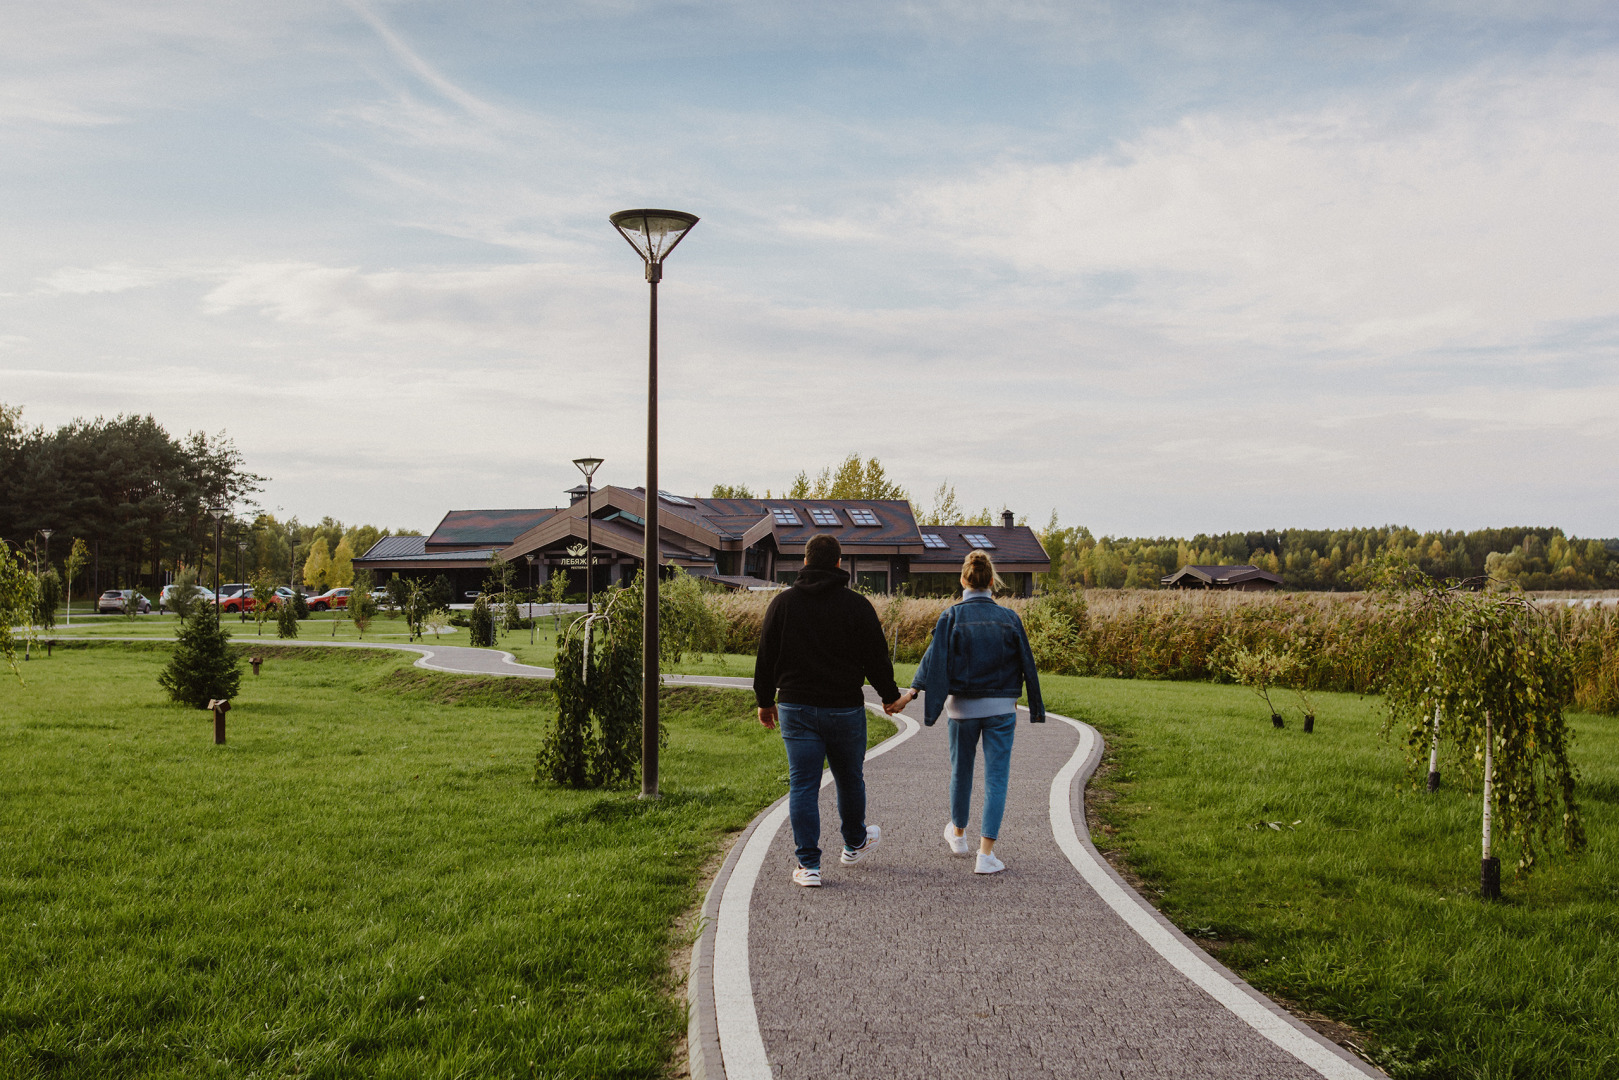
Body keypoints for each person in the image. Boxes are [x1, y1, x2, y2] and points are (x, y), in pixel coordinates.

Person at [755, 533, 905, 887]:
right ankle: (854, 842)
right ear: (839, 563)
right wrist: (889, 696)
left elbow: (766, 658)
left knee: (803, 785)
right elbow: (876, 658)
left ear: (805, 563)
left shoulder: (783, 604)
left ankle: (808, 866)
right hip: (844, 709)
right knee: (849, 778)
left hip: (795, 706)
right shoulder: (857, 606)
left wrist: (764, 701)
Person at [888, 549, 1044, 874]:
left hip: (960, 709)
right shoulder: (1010, 618)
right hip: (1002, 708)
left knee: (962, 772)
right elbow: (1026, 662)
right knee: (996, 778)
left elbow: (932, 659)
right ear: (991, 582)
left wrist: (910, 694)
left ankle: (958, 835)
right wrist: (1034, 704)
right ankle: (986, 856)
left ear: (963, 579)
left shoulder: (951, 615)